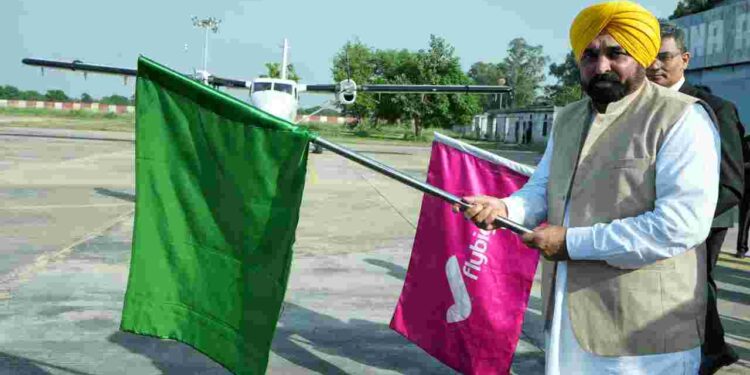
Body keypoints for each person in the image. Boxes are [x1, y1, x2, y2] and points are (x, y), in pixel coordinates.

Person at [455, 2, 720, 374]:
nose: (602, 66)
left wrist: (571, 243)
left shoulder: (682, 118)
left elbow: (681, 226)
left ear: (642, 56)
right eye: (590, 55)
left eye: (616, 54)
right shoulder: (568, 118)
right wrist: (505, 209)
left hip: (645, 334)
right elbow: (544, 188)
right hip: (569, 319)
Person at [646, 21, 745, 374]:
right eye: (647, 57)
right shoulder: (639, 108)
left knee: (694, 284)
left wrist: (688, 215)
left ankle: (708, 352)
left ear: (684, 59)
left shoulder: (716, 109)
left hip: (707, 218)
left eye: (664, 56)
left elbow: (732, 182)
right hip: (654, 215)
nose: (654, 65)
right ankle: (713, 348)